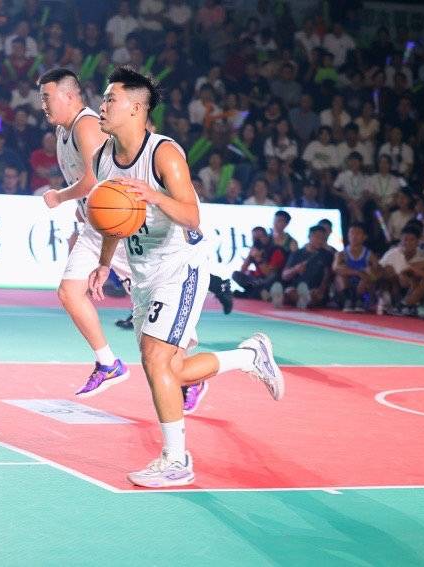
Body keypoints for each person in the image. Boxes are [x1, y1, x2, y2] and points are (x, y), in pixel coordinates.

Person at [88, 67, 283, 488]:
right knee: (171, 371)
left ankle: (176, 460)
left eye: (110, 99)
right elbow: (113, 220)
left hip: (181, 265)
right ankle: (249, 357)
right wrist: (104, 263)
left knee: (155, 359)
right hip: (144, 272)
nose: (101, 106)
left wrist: (154, 197)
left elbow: (192, 216)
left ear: (136, 108)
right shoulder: (103, 157)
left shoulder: (164, 154)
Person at [37, 68, 133, 398]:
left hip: (121, 227)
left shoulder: (87, 125)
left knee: (152, 313)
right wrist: (81, 208)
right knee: (69, 291)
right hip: (96, 226)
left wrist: (60, 197)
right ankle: (108, 363)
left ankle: (196, 369)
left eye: (47, 97)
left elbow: (95, 179)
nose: (43, 105)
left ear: (69, 96)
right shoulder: (64, 131)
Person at [333, 222, 378, 312]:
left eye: (357, 233)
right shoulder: (341, 254)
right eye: (352, 233)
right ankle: (347, 300)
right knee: (339, 276)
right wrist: (358, 273)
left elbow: (376, 275)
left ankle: (361, 300)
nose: (354, 236)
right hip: (346, 289)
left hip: (365, 292)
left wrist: (367, 275)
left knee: (368, 276)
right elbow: (335, 269)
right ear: (348, 235)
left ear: (364, 237)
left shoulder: (370, 255)